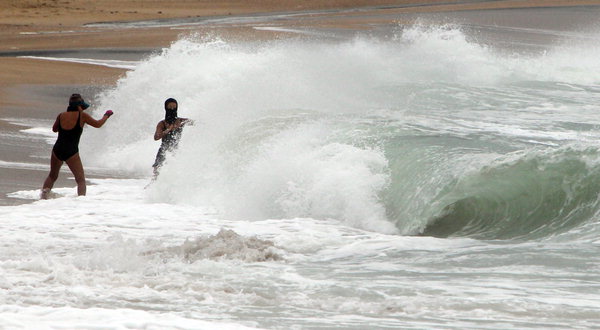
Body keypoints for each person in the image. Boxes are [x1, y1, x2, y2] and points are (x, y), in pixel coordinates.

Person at [41, 93, 113, 199]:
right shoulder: (82, 116)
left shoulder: (61, 115)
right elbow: (98, 124)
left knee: (52, 175)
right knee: (80, 180)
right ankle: (80, 203)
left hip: (57, 150)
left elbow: (54, 129)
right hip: (71, 151)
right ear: (80, 106)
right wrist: (106, 115)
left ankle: (43, 197)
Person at [152, 98, 192, 176]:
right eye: (170, 107)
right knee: (157, 171)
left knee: (176, 172)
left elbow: (196, 122)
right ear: (166, 108)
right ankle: (153, 186)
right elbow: (156, 137)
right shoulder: (162, 123)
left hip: (175, 150)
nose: (172, 109)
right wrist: (167, 130)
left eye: (174, 107)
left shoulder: (180, 121)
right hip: (164, 150)